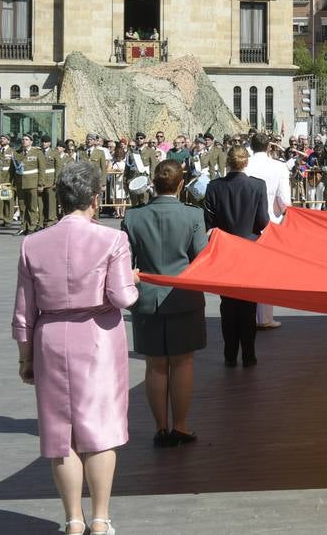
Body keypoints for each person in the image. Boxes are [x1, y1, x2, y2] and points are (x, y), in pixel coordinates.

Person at [12, 161, 139, 535]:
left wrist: (25, 357)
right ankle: (100, 518)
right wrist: (133, 280)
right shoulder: (112, 240)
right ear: (95, 200)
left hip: (50, 336)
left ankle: (72, 519)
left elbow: (23, 308)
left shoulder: (32, 243)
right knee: (99, 430)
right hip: (97, 336)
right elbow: (121, 296)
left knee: (60, 434)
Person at [123, 159, 209, 448]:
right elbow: (201, 258)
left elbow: (126, 262)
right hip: (183, 296)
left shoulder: (133, 217)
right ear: (181, 184)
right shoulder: (193, 216)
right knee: (183, 363)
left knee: (155, 366)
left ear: (153, 185)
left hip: (147, 297)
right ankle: (180, 425)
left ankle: (161, 428)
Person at [202, 145, 269, 367]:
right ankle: (249, 355)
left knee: (228, 306)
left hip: (225, 251)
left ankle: (230, 354)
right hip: (249, 251)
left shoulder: (214, 187)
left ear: (227, 162)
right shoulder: (258, 186)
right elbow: (262, 221)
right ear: (246, 162)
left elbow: (209, 224)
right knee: (249, 306)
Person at [245, 132, 291, 329]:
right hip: (270, 221)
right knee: (266, 272)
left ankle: (247, 315)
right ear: (268, 147)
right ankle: (264, 317)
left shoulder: (244, 165)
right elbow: (284, 200)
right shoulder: (279, 166)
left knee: (247, 271)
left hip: (245, 222)